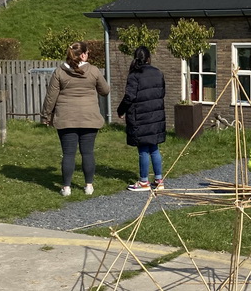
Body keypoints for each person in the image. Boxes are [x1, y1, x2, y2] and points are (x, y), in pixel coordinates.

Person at [40, 41, 111, 197]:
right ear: (84, 54)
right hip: (89, 117)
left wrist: (46, 116)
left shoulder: (59, 72)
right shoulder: (93, 71)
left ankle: (66, 188)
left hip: (66, 118)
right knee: (87, 153)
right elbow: (105, 90)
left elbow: (51, 97)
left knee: (68, 154)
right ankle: (89, 186)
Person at [116, 46, 166, 191]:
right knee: (154, 149)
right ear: (149, 58)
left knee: (143, 149)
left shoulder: (134, 75)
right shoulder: (158, 73)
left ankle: (144, 181)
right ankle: (159, 180)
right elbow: (162, 92)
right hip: (156, 116)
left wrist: (121, 110)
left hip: (140, 117)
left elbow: (129, 96)